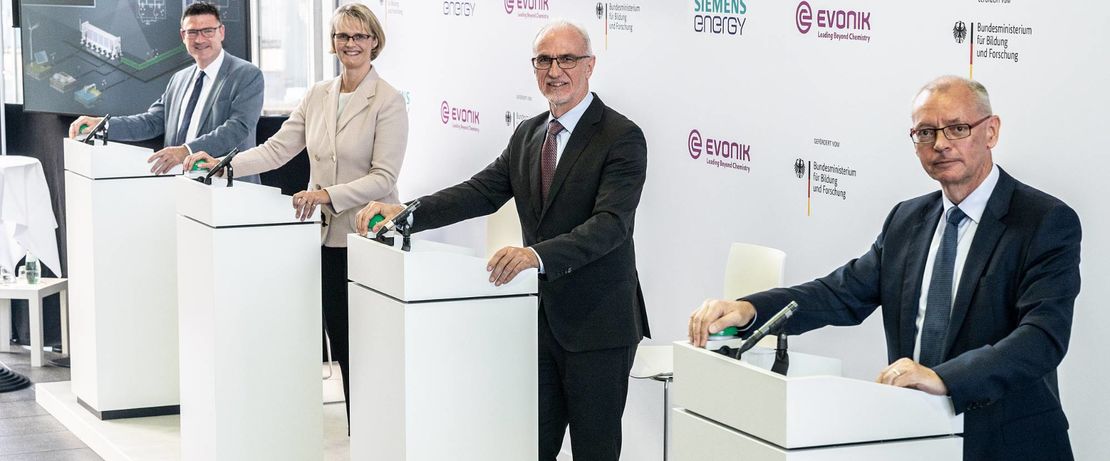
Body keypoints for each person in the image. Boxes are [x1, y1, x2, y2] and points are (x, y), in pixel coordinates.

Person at [688, 76, 1080, 461]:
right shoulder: (907, 219)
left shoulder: (1043, 221)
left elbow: (1042, 338)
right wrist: (750, 310)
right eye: (926, 133)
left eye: (958, 129)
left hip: (1009, 444)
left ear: (991, 131)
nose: (941, 144)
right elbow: (840, 293)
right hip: (912, 437)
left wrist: (945, 378)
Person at [355, 20, 649, 461]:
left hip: (599, 325)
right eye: (544, 60)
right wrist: (405, 214)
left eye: (567, 59)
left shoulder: (621, 137)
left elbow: (610, 225)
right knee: (529, 445)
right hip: (538, 321)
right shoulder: (529, 133)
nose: (555, 70)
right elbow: (481, 191)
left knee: (596, 451)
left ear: (590, 65)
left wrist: (535, 255)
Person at [182, 3, 408, 429]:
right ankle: (344, 430)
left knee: (362, 347)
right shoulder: (318, 95)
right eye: (343, 36)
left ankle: (370, 434)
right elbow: (277, 149)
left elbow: (384, 178)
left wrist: (326, 194)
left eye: (360, 36)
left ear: (375, 41)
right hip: (319, 239)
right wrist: (225, 165)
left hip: (365, 240)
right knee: (328, 342)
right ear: (333, 43)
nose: (351, 44)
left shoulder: (389, 101)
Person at [68, 1, 263, 182]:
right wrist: (103, 125)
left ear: (221, 32)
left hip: (228, 188)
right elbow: (151, 122)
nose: (200, 39)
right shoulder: (179, 79)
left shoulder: (247, 75)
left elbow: (237, 129)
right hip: (179, 184)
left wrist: (186, 151)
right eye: (192, 32)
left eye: (208, 31)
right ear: (182, 36)